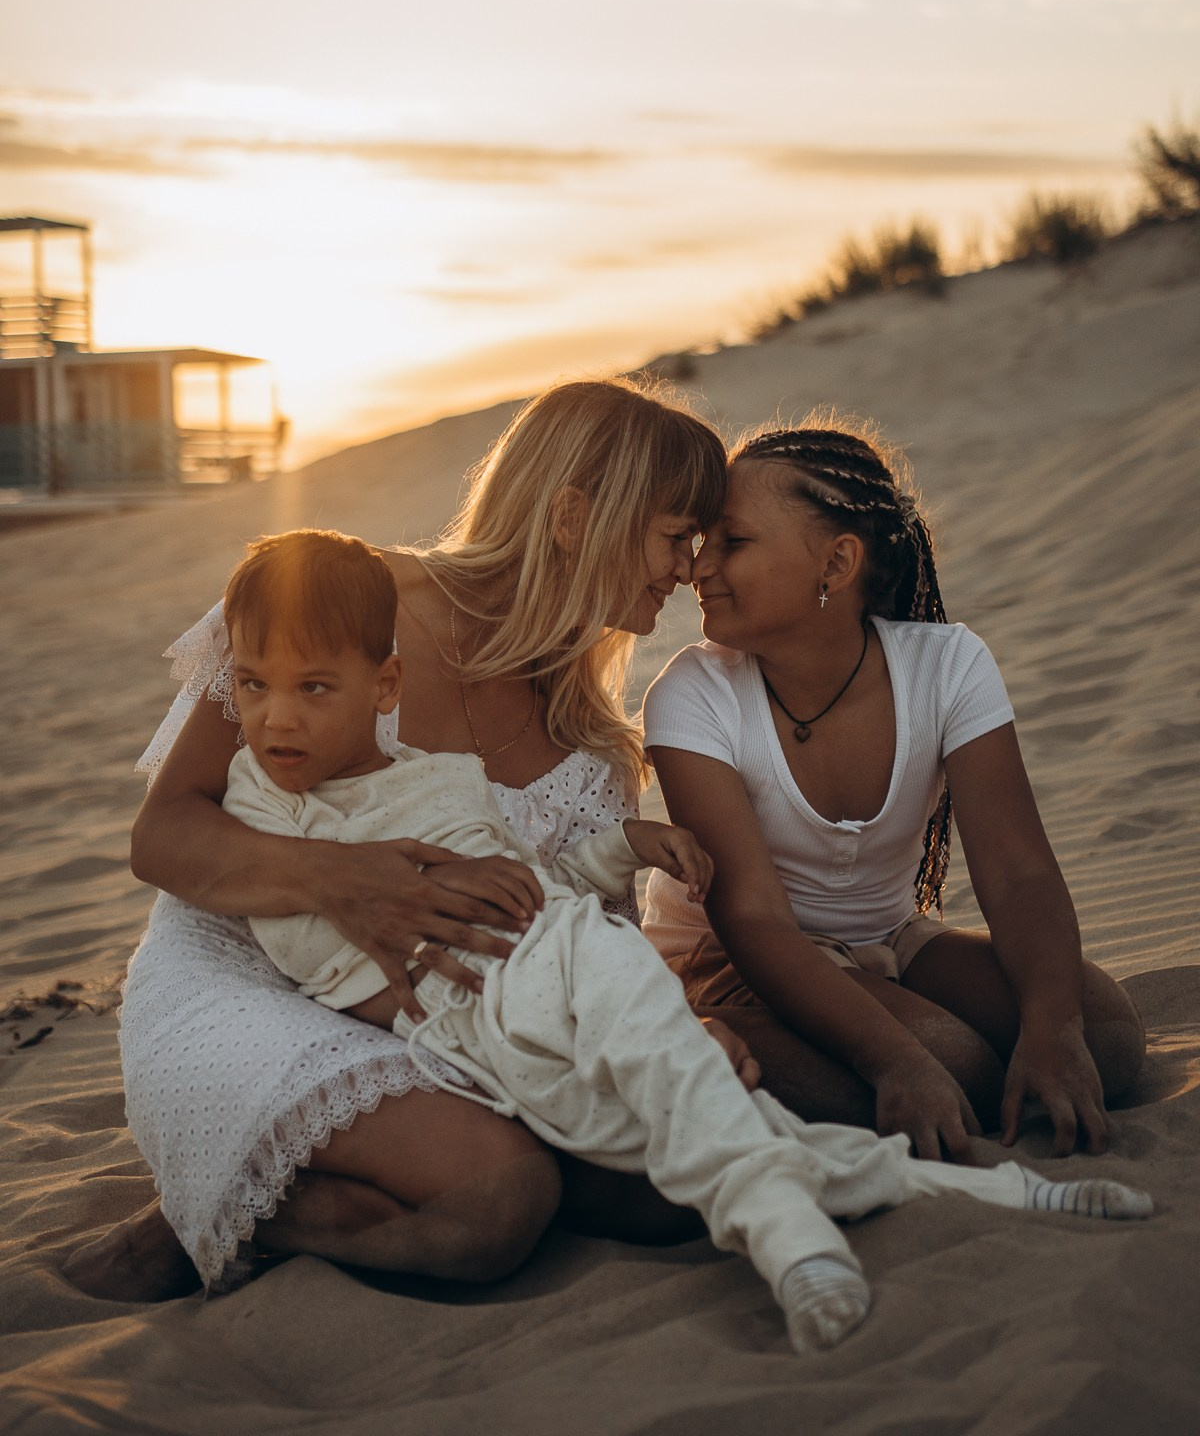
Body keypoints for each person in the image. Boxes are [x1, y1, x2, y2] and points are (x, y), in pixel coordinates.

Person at [229, 527, 1151, 1355]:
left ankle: (979, 1203)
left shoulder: (438, 779)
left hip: (576, 956)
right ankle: (816, 1233)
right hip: (489, 1012)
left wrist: (623, 847)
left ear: (385, 686)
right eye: (251, 686)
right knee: (690, 1114)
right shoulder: (262, 806)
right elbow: (314, 948)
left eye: (314, 688)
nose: (278, 717)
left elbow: (534, 881)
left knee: (722, 1111)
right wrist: (412, 938)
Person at [66, 378, 738, 1301]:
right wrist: (342, 880)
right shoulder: (337, 598)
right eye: (676, 534)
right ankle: (215, 1206)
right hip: (249, 971)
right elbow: (165, 834)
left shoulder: (591, 749)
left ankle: (300, 1188)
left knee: (666, 1187)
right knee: (503, 1205)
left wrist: (676, 1030)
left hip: (447, 1018)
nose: (690, 566)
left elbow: (567, 942)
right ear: (578, 516)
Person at [642, 420, 1147, 1164]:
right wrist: (896, 1061)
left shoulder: (947, 667)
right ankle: (719, 1043)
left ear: (836, 562)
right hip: (737, 961)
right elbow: (755, 919)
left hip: (889, 937)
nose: (698, 568)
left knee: (1103, 1034)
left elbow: (1018, 875)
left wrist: (1052, 1032)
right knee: (951, 1066)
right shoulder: (693, 693)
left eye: (733, 542)